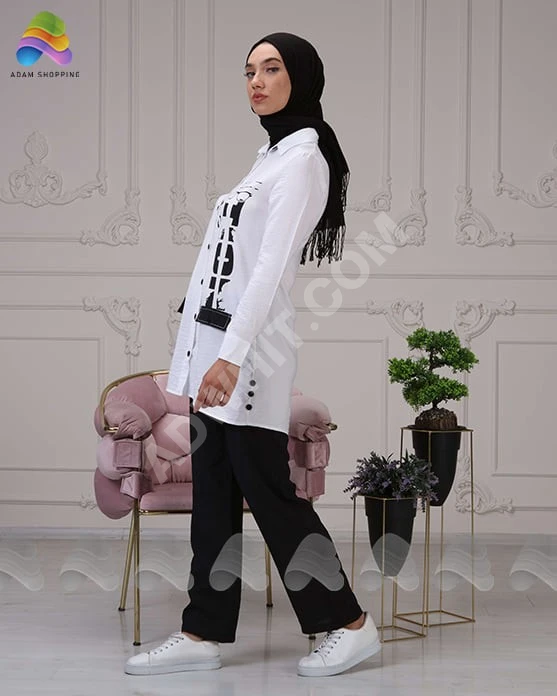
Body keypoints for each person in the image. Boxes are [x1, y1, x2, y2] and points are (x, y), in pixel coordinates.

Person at [125, 31, 381, 678]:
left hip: (250, 353)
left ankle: (348, 623)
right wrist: (197, 354)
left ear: (302, 77)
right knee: (214, 493)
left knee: (268, 492)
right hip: (215, 346)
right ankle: (203, 631)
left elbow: (270, 270)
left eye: (271, 69)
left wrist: (232, 356)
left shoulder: (303, 158)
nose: (257, 82)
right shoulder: (269, 155)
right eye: (248, 72)